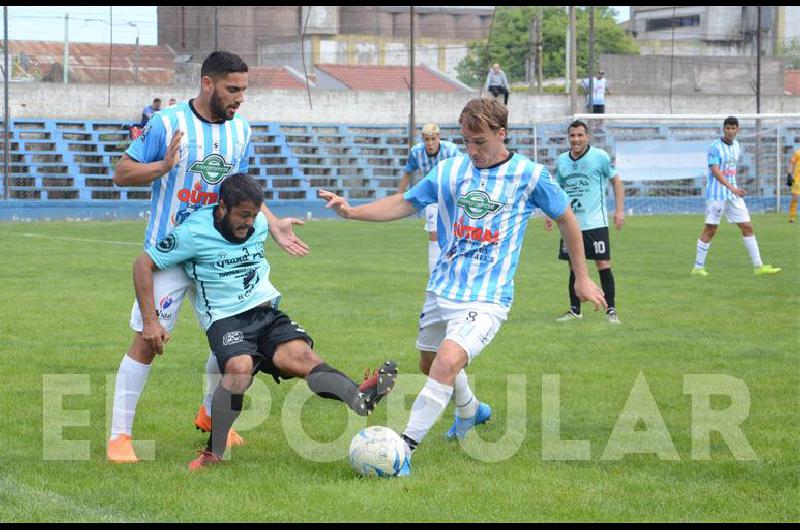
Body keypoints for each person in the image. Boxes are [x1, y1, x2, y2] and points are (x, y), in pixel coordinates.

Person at [319, 98, 606, 475]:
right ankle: (470, 410)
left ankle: (401, 452)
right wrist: (352, 211)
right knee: (428, 362)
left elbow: (568, 219)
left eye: (480, 142)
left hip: (488, 295)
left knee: (448, 360)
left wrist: (582, 277)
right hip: (442, 289)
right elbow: (405, 203)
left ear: (501, 134)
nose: (472, 151)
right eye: (466, 141)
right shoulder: (450, 171)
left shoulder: (530, 175)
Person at [108, 50, 310, 464]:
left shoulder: (241, 130)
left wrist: (270, 222)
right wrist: (163, 166)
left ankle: (208, 415)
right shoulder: (168, 123)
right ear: (207, 84)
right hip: (170, 254)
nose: (240, 97)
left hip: (221, 254)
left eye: (244, 90)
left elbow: (241, 189)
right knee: (148, 342)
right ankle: (119, 438)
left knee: (233, 337)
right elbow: (122, 172)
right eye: (232, 89)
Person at [134, 173, 397, 470]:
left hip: (266, 314)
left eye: (255, 215)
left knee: (302, 357)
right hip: (226, 319)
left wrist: (274, 224)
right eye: (243, 215)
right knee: (239, 368)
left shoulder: (259, 223)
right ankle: (214, 453)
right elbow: (143, 264)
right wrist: (150, 321)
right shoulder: (193, 232)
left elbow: (263, 222)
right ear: (222, 206)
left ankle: (359, 398)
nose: (250, 222)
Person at [545, 120, 624, 324]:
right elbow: (557, 191)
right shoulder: (562, 161)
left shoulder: (600, 157)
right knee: (573, 266)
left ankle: (611, 310)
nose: (576, 139)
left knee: (602, 263)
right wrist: (548, 213)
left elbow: (616, 181)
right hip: (570, 224)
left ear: (587, 137)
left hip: (596, 222)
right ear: (568, 138)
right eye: (572, 135)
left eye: (580, 135)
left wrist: (619, 210)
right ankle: (575, 310)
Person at [691, 116, 781, 277]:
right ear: (723, 129)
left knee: (747, 227)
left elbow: (730, 170)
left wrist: (734, 188)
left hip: (733, 194)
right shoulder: (715, 147)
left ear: (737, 130)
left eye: (733, 128)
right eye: (728, 128)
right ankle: (697, 268)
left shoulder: (737, 146)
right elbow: (715, 170)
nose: (730, 131)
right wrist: (732, 187)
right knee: (711, 229)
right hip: (717, 194)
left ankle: (759, 267)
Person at [398, 123, 461, 273]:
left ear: (439, 138)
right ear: (423, 139)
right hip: (432, 197)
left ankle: (454, 271)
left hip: (452, 197)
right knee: (433, 233)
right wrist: (399, 195)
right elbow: (408, 171)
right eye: (427, 139)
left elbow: (463, 171)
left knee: (455, 234)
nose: (430, 143)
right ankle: (434, 274)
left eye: (433, 139)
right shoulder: (416, 152)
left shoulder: (451, 150)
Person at [788, 148, 800, 223]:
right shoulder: (798, 153)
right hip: (797, 180)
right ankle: (792, 217)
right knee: (795, 198)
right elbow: (792, 163)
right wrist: (789, 174)